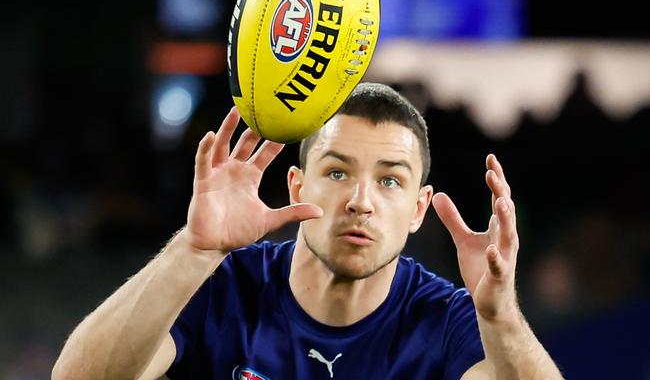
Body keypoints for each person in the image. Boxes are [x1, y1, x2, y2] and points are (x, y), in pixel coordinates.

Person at [53, 83, 563, 379]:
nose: (360, 201)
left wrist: (502, 317)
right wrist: (193, 249)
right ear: (297, 186)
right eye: (338, 172)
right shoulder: (220, 286)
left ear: (417, 209)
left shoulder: (447, 319)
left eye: (390, 180)